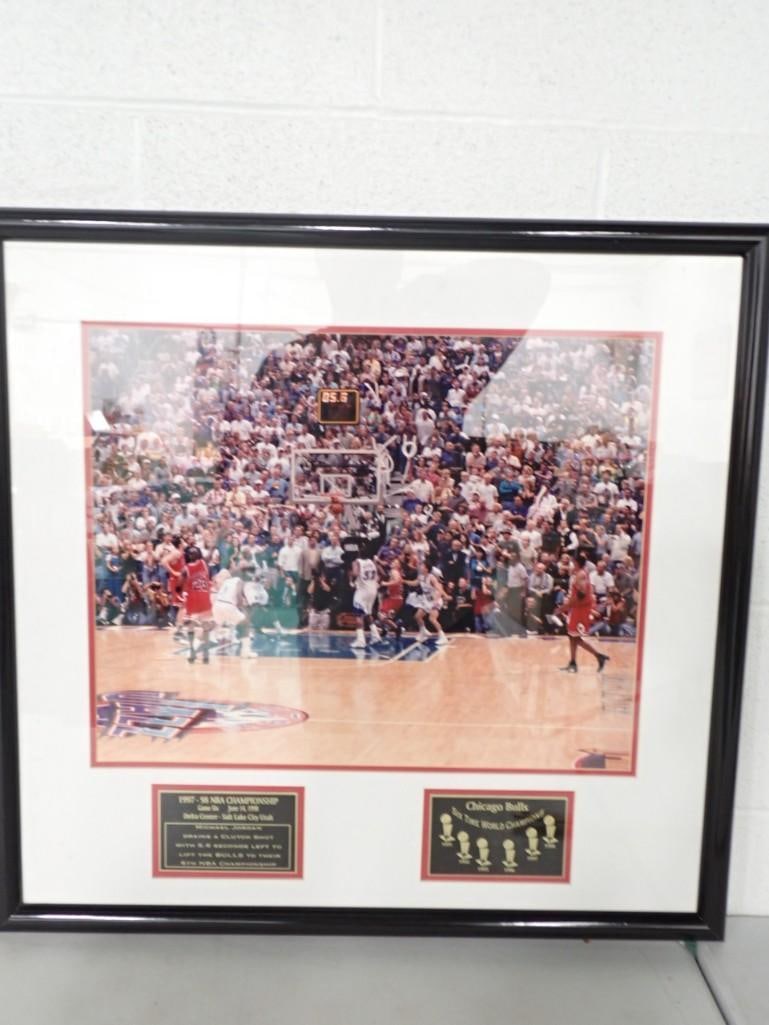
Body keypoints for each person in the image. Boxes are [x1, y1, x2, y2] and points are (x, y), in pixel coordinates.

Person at [561, 553, 609, 674]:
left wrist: (567, 605)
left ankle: (598, 656)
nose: (571, 564)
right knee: (572, 636)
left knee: (575, 637)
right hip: (577, 608)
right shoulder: (580, 573)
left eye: (573, 562)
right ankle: (573, 662)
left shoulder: (581, 574)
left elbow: (581, 594)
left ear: (576, 563)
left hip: (579, 609)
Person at [181, 544, 213, 664]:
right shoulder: (186, 569)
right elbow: (180, 582)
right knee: (191, 626)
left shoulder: (203, 564)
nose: (192, 554)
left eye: (194, 552)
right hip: (193, 600)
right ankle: (192, 650)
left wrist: (212, 546)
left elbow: (209, 555)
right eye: (191, 553)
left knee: (206, 626)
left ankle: (205, 652)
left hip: (203, 600)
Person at [350, 550, 381, 648]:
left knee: (358, 615)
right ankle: (376, 635)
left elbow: (355, 573)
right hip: (372, 590)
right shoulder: (372, 562)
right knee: (368, 613)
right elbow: (380, 575)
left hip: (362, 591)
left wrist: (350, 577)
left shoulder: (357, 562)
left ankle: (361, 641)